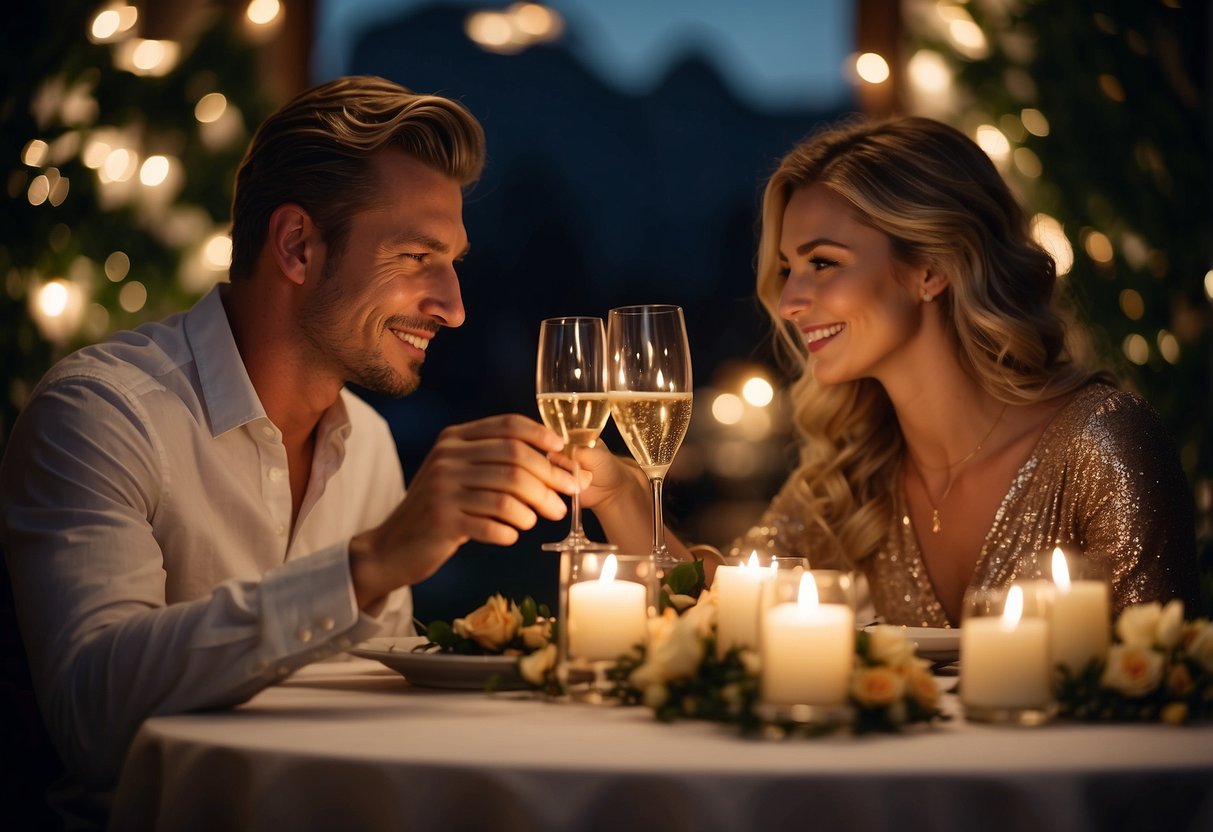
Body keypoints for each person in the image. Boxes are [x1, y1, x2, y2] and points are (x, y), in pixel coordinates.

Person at [0, 76, 577, 822]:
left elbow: (369, 711)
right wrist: (369, 562)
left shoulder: (364, 441)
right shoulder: (102, 414)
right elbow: (91, 718)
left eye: (454, 262)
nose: (454, 307)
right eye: (414, 257)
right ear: (298, 246)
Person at [580, 115, 1200, 626]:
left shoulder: (1103, 446)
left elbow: (1159, 691)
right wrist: (623, 499)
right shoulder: (848, 477)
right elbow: (719, 611)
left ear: (931, 268)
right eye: (789, 267)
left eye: (823, 263)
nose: (791, 300)